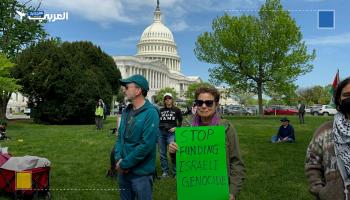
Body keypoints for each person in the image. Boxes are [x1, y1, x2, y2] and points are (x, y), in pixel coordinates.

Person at [168, 86, 246, 200]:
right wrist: (173, 152)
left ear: (216, 105)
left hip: (219, 190)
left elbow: (237, 162)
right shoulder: (186, 126)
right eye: (200, 102)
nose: (204, 106)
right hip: (192, 190)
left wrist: (232, 191)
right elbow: (180, 163)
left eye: (209, 103)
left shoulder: (226, 127)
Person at [114, 74, 159, 200]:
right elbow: (120, 137)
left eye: (127, 87)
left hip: (141, 174)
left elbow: (146, 145)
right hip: (123, 171)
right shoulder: (126, 111)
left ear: (138, 91)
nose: (124, 89)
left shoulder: (151, 113)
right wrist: (118, 158)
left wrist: (125, 164)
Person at [305, 77, 350, 200]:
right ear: (339, 100)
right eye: (347, 95)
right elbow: (312, 163)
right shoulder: (325, 130)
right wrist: (321, 191)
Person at [158, 92, 183, 178]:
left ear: (172, 100)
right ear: (164, 101)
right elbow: (157, 121)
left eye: (169, 98)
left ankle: (176, 172)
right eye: (166, 99)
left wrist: (176, 128)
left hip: (171, 133)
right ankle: (165, 172)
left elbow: (180, 121)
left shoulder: (176, 110)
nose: (168, 100)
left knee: (173, 152)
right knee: (162, 153)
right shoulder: (160, 110)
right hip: (161, 132)